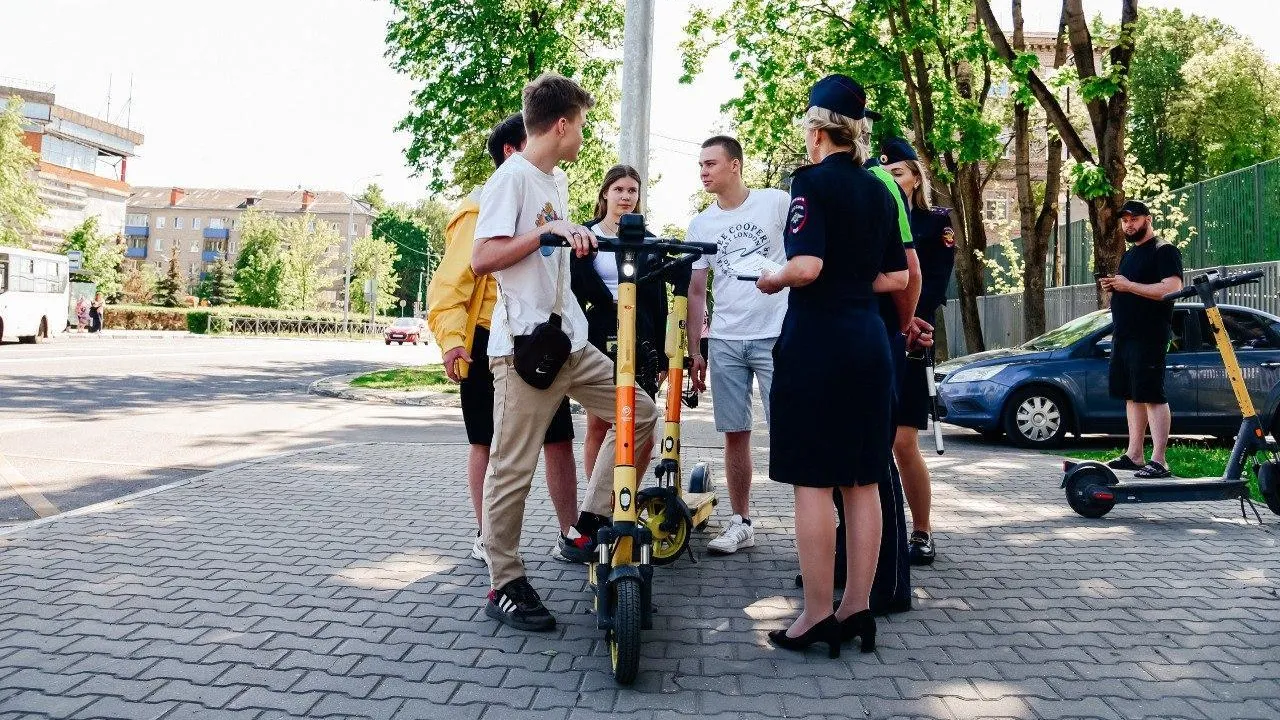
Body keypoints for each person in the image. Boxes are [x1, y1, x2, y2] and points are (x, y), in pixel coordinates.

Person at [470, 73, 660, 632]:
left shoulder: (553, 182)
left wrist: (573, 235)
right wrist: (548, 237)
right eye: (580, 124)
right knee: (513, 470)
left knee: (641, 415)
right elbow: (483, 257)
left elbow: (549, 251)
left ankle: (592, 519)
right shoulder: (512, 178)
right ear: (561, 124)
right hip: (525, 351)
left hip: (570, 344)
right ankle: (503, 582)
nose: (582, 134)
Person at [757, 74, 909, 656]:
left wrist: (773, 276)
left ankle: (817, 615)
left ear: (819, 132)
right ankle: (856, 609)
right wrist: (852, 278)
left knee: (814, 482)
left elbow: (807, 266)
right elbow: (897, 276)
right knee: (863, 479)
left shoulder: (810, 183)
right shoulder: (879, 190)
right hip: (869, 343)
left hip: (818, 343)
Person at [426, 112, 580, 567]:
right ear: (514, 152)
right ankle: (484, 534)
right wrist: (453, 342)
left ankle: (570, 531)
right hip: (486, 340)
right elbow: (450, 285)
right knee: (486, 443)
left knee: (558, 439)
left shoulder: (544, 195)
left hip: (541, 341)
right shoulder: (478, 210)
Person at [686, 135, 790, 555]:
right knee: (735, 434)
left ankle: (814, 522)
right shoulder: (700, 224)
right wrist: (697, 350)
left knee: (792, 431)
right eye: (700, 165)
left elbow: (807, 257)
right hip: (727, 338)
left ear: (735, 165)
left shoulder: (776, 203)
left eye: (711, 163)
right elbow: (696, 292)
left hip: (777, 332)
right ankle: (741, 521)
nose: (703, 172)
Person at [881, 138, 956, 566]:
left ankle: (922, 530)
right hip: (874, 338)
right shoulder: (875, 220)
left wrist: (912, 324)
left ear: (914, 177)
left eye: (898, 173)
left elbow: (932, 283)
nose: (891, 180)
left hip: (913, 337)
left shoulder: (934, 222)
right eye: (885, 174)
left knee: (903, 441)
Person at [571, 165, 667, 479]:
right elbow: (574, 289)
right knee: (599, 424)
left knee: (644, 424)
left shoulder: (650, 242)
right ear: (605, 193)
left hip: (640, 335)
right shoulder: (586, 236)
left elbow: (658, 302)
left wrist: (664, 354)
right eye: (619, 190)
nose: (625, 197)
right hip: (600, 329)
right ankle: (595, 506)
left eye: (632, 191)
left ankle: (627, 500)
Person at [1102, 200, 1184, 479]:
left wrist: (1128, 285)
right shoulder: (1130, 254)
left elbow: (1171, 289)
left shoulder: (1164, 250)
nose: (1129, 224)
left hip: (1149, 335)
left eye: (1134, 219)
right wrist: (1116, 286)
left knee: (1152, 395)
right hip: (1124, 336)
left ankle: (1159, 460)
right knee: (1131, 395)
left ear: (1148, 220)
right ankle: (1134, 455)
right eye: (1125, 220)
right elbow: (1130, 288)